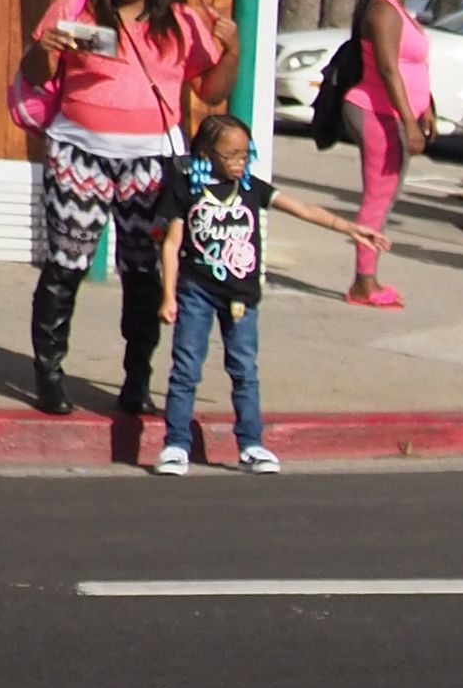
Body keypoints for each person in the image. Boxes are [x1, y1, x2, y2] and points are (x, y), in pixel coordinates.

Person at [21, 0, 232, 419]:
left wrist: (233, 49)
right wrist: (44, 47)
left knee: (143, 271)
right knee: (66, 264)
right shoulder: (75, 8)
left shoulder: (179, 22)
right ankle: (49, 375)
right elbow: (36, 75)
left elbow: (211, 92)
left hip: (151, 161)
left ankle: (137, 380)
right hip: (78, 153)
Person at [150, 112, 371, 476]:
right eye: (231, 155)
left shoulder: (253, 188)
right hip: (196, 292)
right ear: (206, 152)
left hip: (242, 297)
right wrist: (169, 296)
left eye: (245, 154)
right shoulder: (186, 189)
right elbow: (171, 245)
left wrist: (348, 227)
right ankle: (176, 444)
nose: (240, 162)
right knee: (186, 369)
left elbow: (303, 209)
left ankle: (251, 444)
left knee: (244, 371)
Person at [343, 0, 433, 308]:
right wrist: (409, 122)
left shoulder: (400, 9)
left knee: (385, 196)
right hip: (376, 111)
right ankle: (363, 282)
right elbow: (386, 68)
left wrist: (427, 108)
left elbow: (414, 66)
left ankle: (368, 276)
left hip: (395, 112)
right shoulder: (382, 11)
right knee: (377, 197)